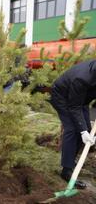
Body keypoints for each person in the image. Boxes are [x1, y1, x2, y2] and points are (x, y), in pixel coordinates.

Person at [50, 59, 96, 190]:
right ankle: (66, 171)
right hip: (62, 97)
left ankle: (71, 160)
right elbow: (74, 107)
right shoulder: (82, 78)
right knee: (73, 128)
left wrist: (85, 130)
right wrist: (82, 131)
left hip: (82, 100)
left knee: (86, 129)